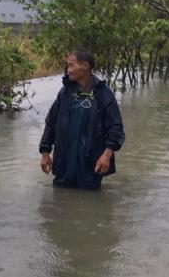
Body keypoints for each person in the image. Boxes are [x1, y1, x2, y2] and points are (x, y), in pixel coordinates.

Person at [39, 48, 125, 189]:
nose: (68, 70)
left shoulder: (104, 94)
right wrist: (45, 152)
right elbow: (51, 123)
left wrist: (106, 155)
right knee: (60, 201)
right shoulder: (65, 93)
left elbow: (116, 128)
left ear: (85, 66)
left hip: (91, 163)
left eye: (71, 65)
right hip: (64, 161)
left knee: (90, 202)